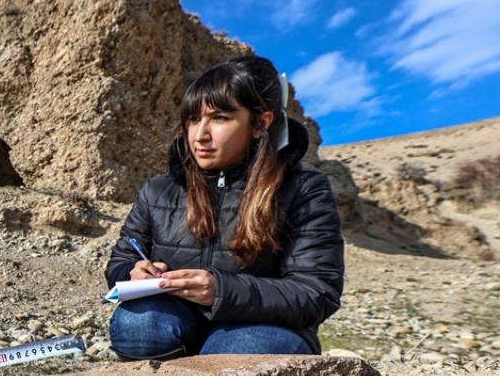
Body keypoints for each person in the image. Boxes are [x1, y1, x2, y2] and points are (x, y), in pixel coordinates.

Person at [104, 55, 344, 359]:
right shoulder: (158, 190)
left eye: (219, 118)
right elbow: (122, 259)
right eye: (193, 119)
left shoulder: (304, 190)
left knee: (232, 353)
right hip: (179, 317)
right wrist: (132, 271)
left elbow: (316, 293)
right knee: (138, 326)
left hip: (266, 324)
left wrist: (222, 291)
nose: (200, 135)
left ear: (261, 124)